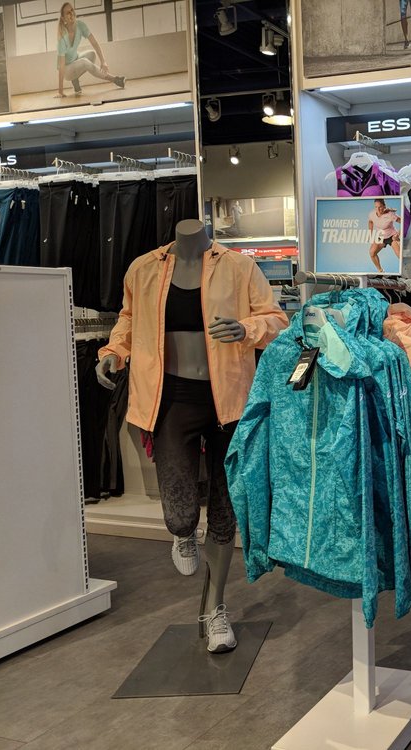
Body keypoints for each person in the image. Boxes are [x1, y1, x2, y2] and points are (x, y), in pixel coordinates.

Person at [95, 220, 288, 653]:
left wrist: (247, 328)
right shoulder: (143, 269)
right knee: (179, 507)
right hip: (170, 398)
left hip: (229, 398)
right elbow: (128, 320)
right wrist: (114, 352)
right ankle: (182, 532)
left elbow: (277, 319)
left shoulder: (239, 267)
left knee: (224, 506)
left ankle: (216, 609)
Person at [56, 3, 125, 97]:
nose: (71, 13)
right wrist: (60, 91)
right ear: (63, 18)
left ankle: (75, 79)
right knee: (85, 62)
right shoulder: (62, 37)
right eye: (68, 12)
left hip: (75, 59)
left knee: (92, 54)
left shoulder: (80, 25)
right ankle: (115, 80)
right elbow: (61, 66)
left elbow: (94, 43)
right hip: (66, 70)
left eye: (72, 10)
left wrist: (103, 61)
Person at [368, 198, 401, 273]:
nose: (378, 209)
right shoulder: (372, 214)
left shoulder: (390, 215)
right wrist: (370, 234)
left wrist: (398, 234)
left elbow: (403, 222)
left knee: (400, 255)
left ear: (384, 206)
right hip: (381, 237)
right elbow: (370, 222)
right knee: (372, 253)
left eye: (380, 207)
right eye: (376, 207)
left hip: (392, 236)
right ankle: (381, 271)